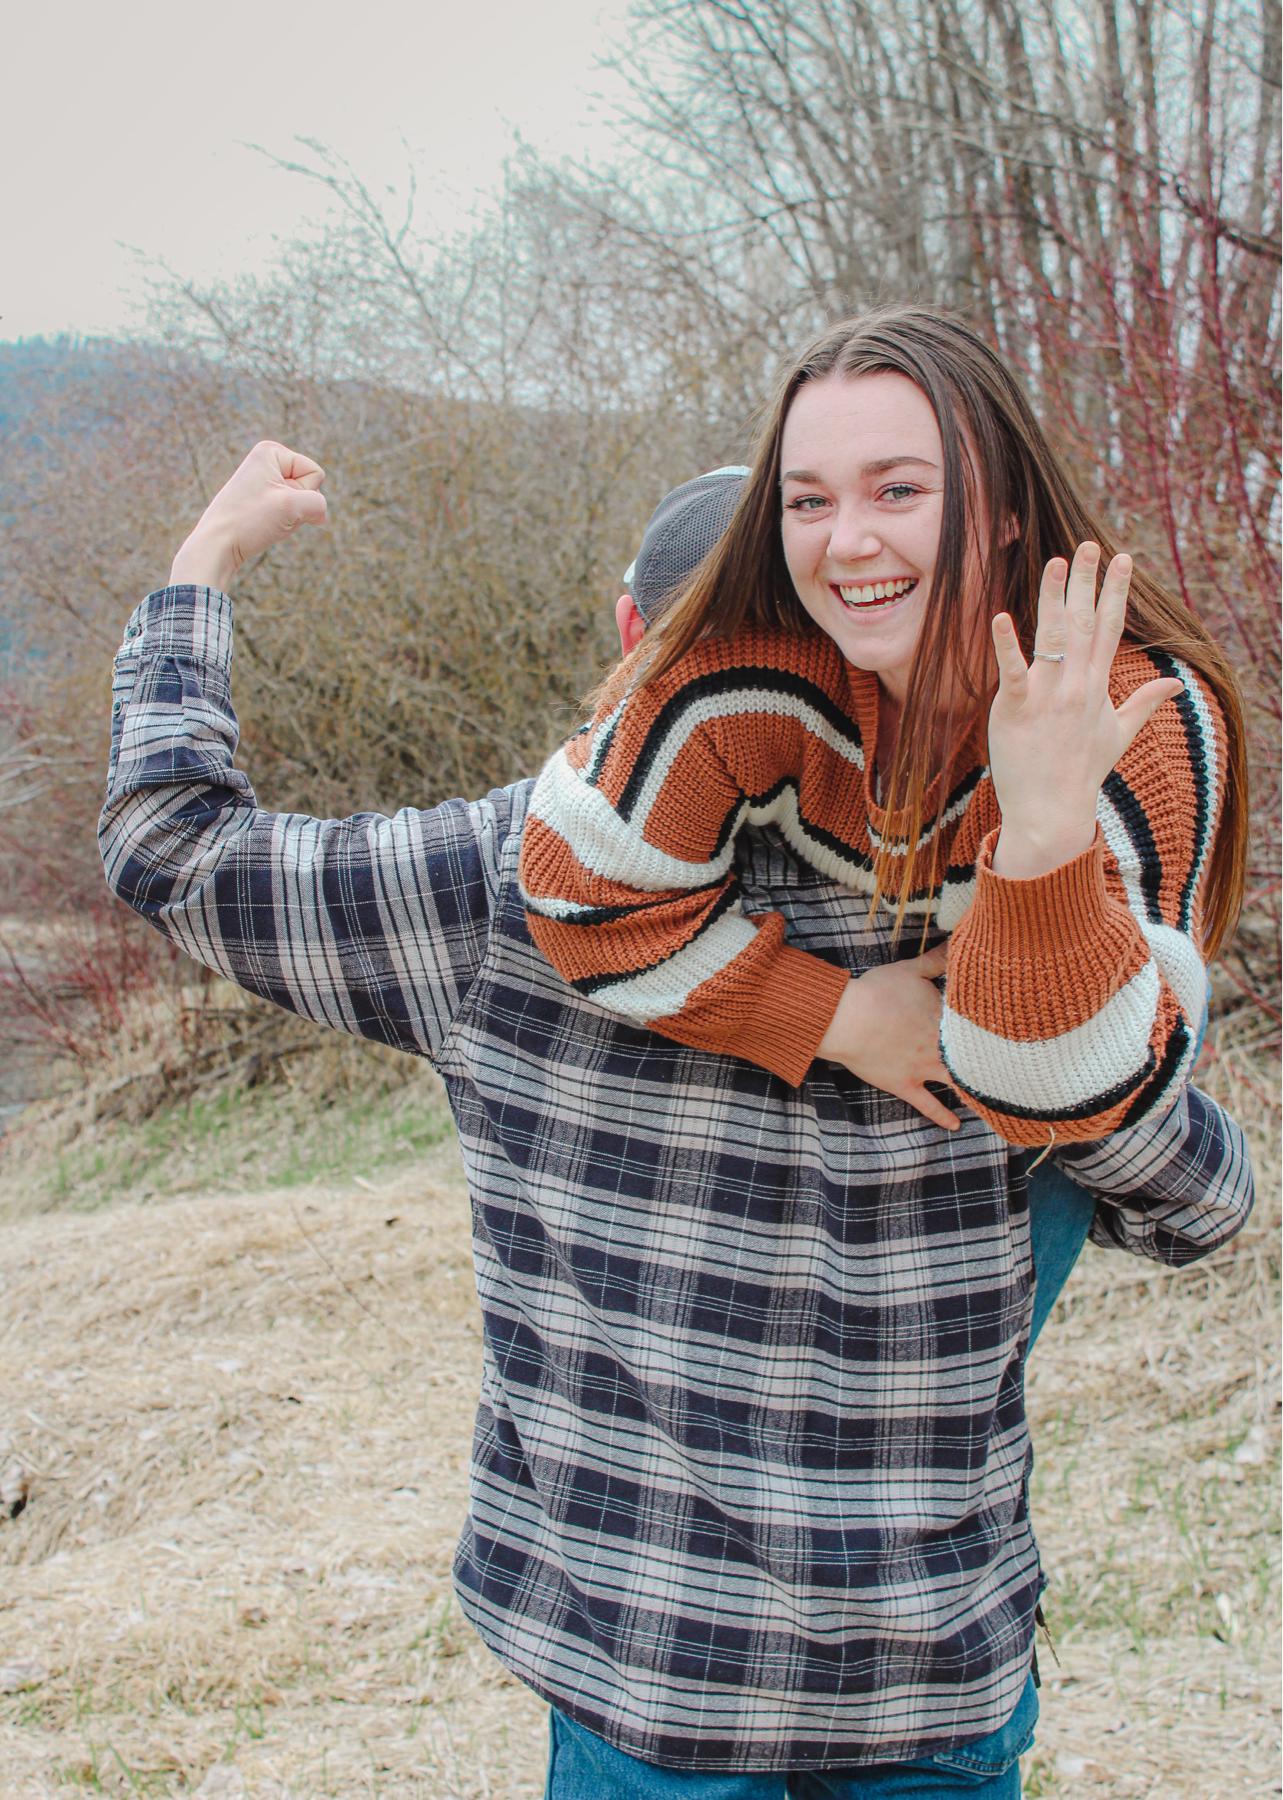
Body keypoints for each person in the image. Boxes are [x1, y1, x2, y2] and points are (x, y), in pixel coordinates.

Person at [99, 393, 1252, 1794]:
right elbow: (1198, 1203)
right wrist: (1040, 914)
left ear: (635, 644)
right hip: (927, 1669)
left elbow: (173, 846)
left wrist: (202, 567)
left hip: (644, 1672)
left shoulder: (503, 886)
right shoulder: (1017, 921)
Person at [519, 312, 1242, 1167]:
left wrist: (1045, 834)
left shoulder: (1129, 710)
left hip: (1064, 1091)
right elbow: (581, 893)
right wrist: (835, 1015)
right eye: (808, 501)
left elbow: (1062, 1100)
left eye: (898, 490)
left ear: (1006, 508)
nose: (847, 543)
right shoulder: (746, 675)